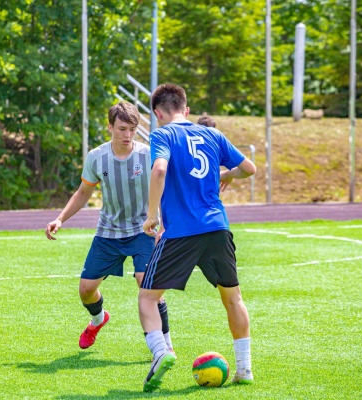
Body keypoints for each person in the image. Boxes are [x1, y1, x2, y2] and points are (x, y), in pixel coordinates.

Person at [139, 83, 257, 392]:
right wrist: (225, 174)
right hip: (218, 227)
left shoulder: (162, 135)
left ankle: (161, 352)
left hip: (181, 232)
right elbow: (248, 168)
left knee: (147, 297)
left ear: (157, 113)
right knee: (233, 298)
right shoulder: (212, 134)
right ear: (186, 109)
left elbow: (159, 171)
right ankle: (244, 369)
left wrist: (151, 216)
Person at [45, 101, 173, 353]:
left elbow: (165, 190)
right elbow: (83, 192)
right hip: (108, 232)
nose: (128, 135)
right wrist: (60, 218)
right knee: (86, 290)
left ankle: (165, 346)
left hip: (143, 231)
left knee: (148, 286)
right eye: (122, 129)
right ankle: (98, 319)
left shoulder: (148, 155)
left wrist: (164, 226)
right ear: (110, 127)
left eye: (132, 129)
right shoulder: (97, 157)